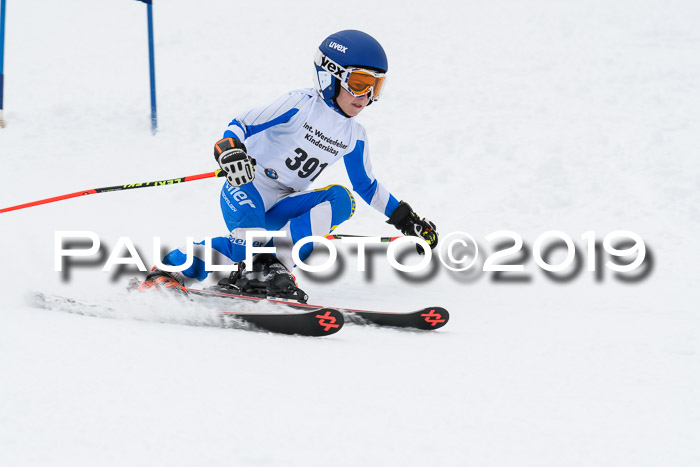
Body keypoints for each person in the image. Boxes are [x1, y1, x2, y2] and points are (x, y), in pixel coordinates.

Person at [137, 30, 438, 299]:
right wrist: (229, 149)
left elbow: (367, 186)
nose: (366, 96)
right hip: (247, 187)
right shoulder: (300, 104)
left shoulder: (354, 136)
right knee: (247, 245)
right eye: (359, 83)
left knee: (342, 199)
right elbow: (241, 123)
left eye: (376, 86)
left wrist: (405, 218)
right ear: (329, 76)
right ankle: (166, 270)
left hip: (283, 202)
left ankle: (272, 267)